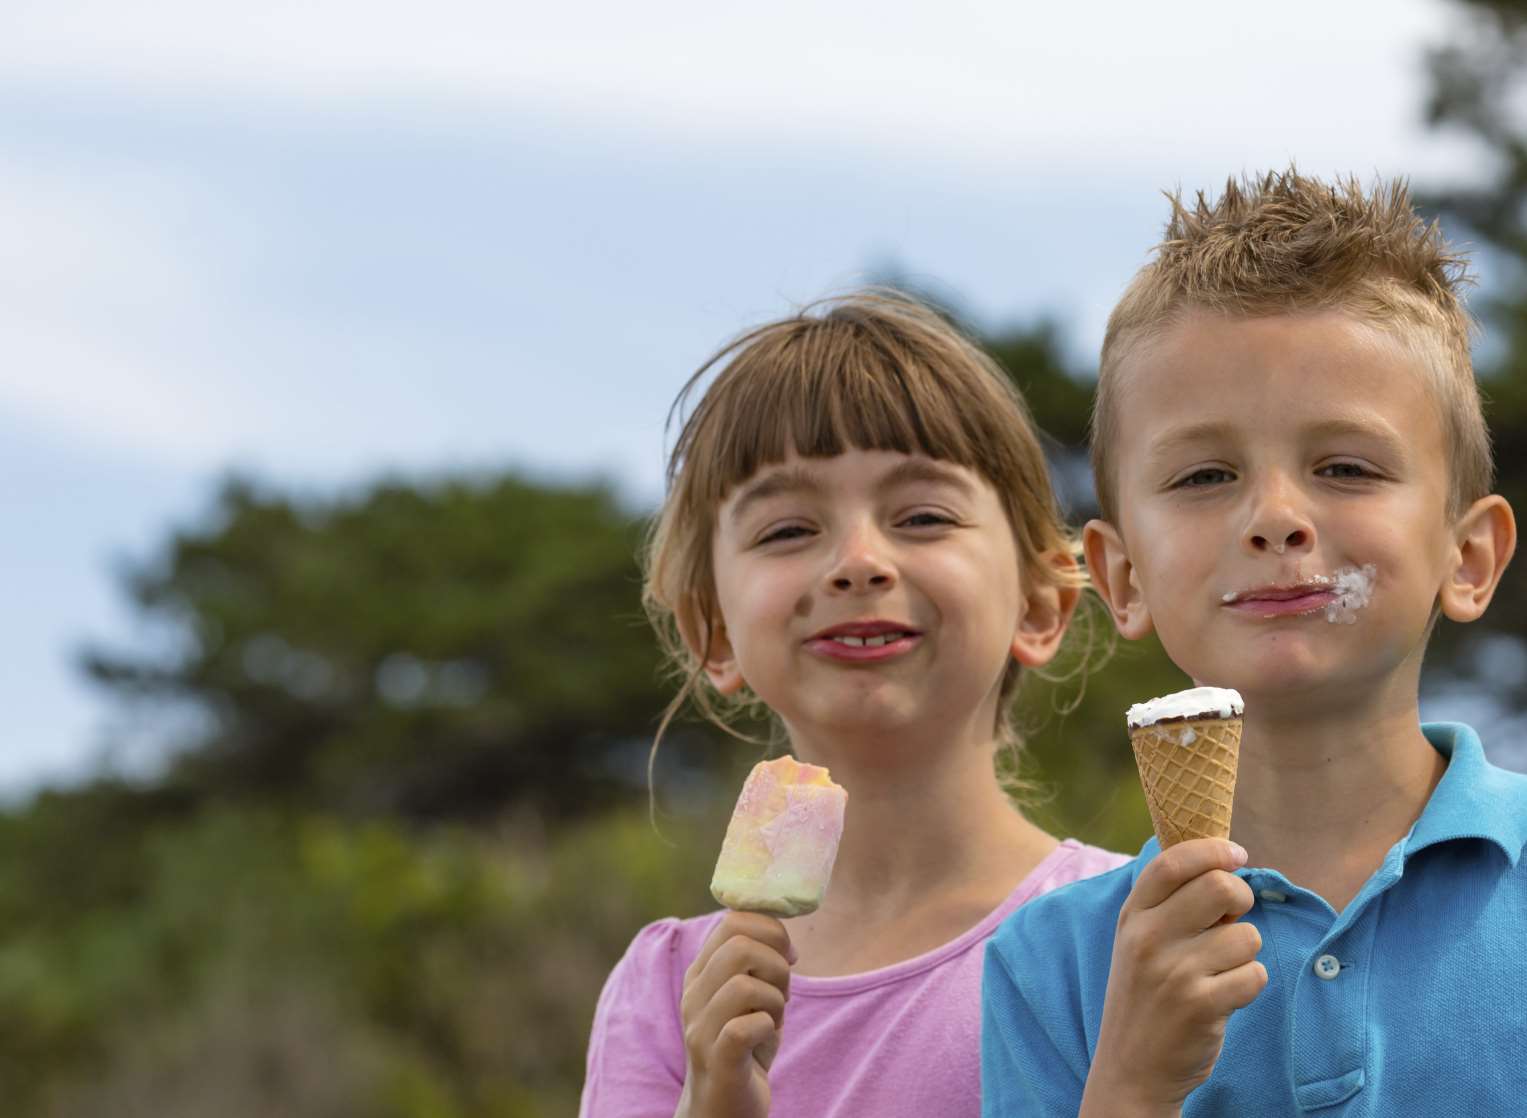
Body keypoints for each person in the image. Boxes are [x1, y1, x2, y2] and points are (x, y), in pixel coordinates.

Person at [981, 169, 1523, 1117]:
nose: (1275, 517)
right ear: (1120, 578)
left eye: (1345, 467)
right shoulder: (1048, 967)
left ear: (1468, 555)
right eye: (1203, 475)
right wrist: (1132, 1083)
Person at [579, 290, 1128, 1118]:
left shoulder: (1132, 934)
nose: (858, 562)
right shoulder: (661, 996)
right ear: (711, 629)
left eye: (921, 516)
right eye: (787, 531)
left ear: (1040, 601)